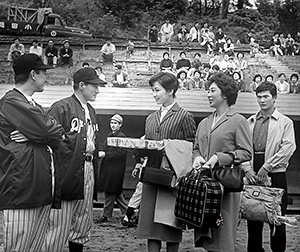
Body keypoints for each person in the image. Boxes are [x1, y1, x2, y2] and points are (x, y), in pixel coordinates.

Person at [0, 53, 64, 252]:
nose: (47, 77)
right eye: (43, 72)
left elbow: (59, 136)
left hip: (37, 192)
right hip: (20, 193)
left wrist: (33, 135)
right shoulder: (11, 101)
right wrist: (41, 134)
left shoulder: (33, 104)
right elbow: (50, 131)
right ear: (33, 74)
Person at [136, 72, 196, 252]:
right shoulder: (151, 118)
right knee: (150, 227)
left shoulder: (184, 116)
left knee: (169, 225)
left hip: (172, 178)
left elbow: (191, 146)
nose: (154, 94)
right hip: (151, 174)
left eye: (157, 90)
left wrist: (168, 147)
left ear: (170, 90)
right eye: (152, 90)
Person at [193, 72, 252, 252]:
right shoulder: (204, 122)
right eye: (208, 91)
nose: (208, 94)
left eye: (212, 90)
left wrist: (220, 157)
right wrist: (196, 157)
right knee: (205, 237)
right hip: (204, 187)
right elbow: (195, 148)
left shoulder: (238, 121)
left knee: (223, 236)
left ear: (225, 94)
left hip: (226, 186)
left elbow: (246, 152)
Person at [44, 67, 101, 252]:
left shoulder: (91, 110)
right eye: (94, 86)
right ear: (82, 85)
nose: (97, 90)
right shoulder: (61, 107)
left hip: (88, 166)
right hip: (67, 169)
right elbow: (47, 139)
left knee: (83, 222)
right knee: (59, 224)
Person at [243, 82, 296, 252]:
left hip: (276, 173)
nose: (262, 100)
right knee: (253, 217)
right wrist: (246, 168)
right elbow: (241, 147)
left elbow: (288, 147)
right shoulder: (249, 121)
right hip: (253, 173)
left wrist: (267, 166)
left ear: (274, 97)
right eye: (259, 97)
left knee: (277, 218)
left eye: (266, 96)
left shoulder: (285, 122)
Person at [97, 114, 128, 222]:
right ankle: (129, 213)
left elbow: (122, 152)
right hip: (109, 168)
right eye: (112, 123)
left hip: (116, 169)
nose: (113, 125)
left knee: (110, 190)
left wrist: (106, 154)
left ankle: (106, 215)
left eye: (115, 123)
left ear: (120, 125)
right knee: (116, 193)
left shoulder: (122, 137)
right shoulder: (110, 135)